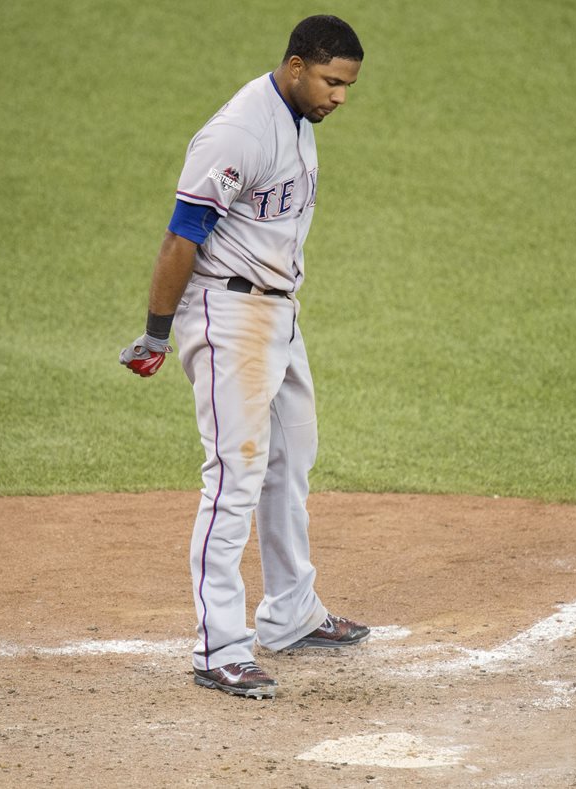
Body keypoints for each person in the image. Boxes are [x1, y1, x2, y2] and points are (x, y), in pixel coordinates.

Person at [119, 15, 369, 700]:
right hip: (228, 314)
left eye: (347, 85)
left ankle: (291, 613)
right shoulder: (240, 132)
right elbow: (182, 235)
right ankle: (218, 647)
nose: (338, 96)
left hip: (278, 313)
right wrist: (157, 332)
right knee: (234, 477)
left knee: (290, 460)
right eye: (330, 81)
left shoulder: (298, 122)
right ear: (295, 66)